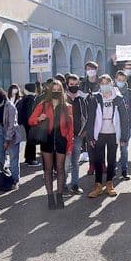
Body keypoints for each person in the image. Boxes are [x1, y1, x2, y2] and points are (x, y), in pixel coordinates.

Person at [29, 80, 74, 209]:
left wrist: (70, 146)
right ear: (49, 90)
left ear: (61, 91)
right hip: (47, 140)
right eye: (53, 89)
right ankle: (50, 198)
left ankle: (59, 196)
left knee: (60, 169)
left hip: (61, 141)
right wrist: (39, 118)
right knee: (47, 170)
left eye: (58, 89)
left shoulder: (68, 107)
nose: (55, 91)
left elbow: (71, 129)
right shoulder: (43, 105)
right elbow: (30, 120)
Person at [88, 75, 129, 198]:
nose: (105, 85)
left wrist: (124, 137)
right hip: (99, 134)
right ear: (100, 85)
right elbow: (90, 118)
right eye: (102, 83)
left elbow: (124, 119)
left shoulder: (118, 98)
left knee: (111, 159)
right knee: (98, 160)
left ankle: (110, 184)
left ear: (111, 84)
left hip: (113, 133)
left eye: (107, 82)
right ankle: (98, 185)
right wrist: (90, 137)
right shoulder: (95, 98)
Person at [65, 74, 96, 194]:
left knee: (75, 162)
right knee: (65, 164)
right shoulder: (63, 98)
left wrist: (85, 131)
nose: (74, 86)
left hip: (78, 135)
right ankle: (62, 186)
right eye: (71, 84)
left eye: (76, 84)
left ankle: (75, 185)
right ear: (67, 84)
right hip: (65, 137)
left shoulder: (82, 99)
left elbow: (88, 116)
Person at [0, 88, 22, 190]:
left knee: (13, 158)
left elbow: (12, 124)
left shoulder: (10, 107)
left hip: (11, 131)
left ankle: (15, 181)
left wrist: (7, 140)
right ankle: (0, 182)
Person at [115, 70, 131, 181]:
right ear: (115, 80)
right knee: (112, 149)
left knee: (124, 149)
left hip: (125, 126)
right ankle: (113, 170)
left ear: (126, 81)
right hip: (112, 126)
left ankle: (124, 170)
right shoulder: (111, 92)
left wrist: (129, 122)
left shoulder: (130, 93)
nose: (121, 82)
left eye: (123, 80)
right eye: (119, 80)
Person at [15, 83, 41, 167]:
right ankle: (31, 159)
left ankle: (27, 158)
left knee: (29, 142)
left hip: (24, 123)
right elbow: (30, 113)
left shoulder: (24, 98)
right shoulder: (31, 99)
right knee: (31, 142)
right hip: (30, 123)